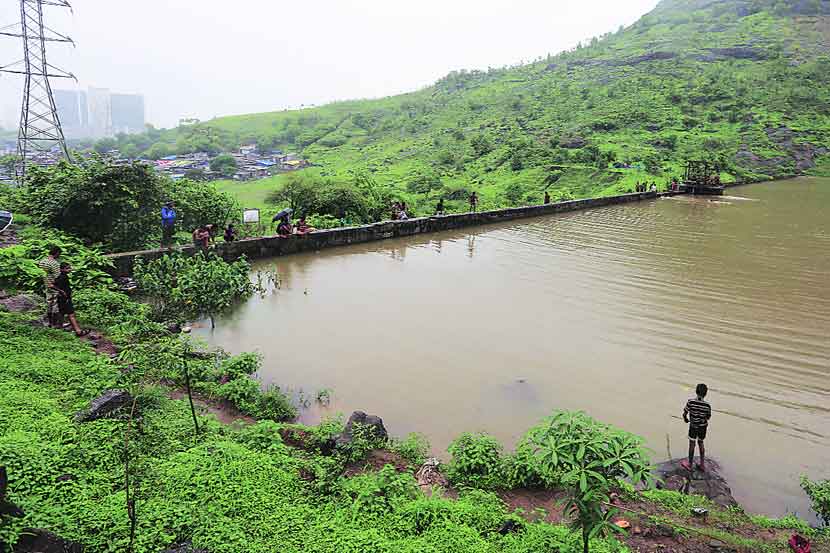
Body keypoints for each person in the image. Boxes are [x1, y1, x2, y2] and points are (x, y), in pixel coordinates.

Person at [682, 383, 712, 472]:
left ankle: (690, 464)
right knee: (701, 443)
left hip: (693, 426)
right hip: (702, 427)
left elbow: (684, 413)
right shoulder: (707, 405)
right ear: (705, 393)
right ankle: (702, 464)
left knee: (692, 444)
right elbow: (708, 417)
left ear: (696, 391)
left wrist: (686, 419)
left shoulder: (690, 402)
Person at [54, 262, 88, 337]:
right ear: (61, 269)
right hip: (65, 298)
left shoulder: (60, 276)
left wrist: (60, 291)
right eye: (67, 268)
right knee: (71, 314)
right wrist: (62, 291)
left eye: (70, 268)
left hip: (61, 298)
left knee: (61, 313)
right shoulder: (63, 277)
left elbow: (53, 285)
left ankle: (60, 327)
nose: (70, 269)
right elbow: (52, 285)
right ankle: (78, 331)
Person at [38, 246, 61, 327]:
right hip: (55, 286)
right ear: (57, 253)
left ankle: (49, 323)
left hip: (46, 284)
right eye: (59, 254)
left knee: (48, 303)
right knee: (55, 304)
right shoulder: (55, 263)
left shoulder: (42, 261)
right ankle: (55, 323)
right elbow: (58, 276)